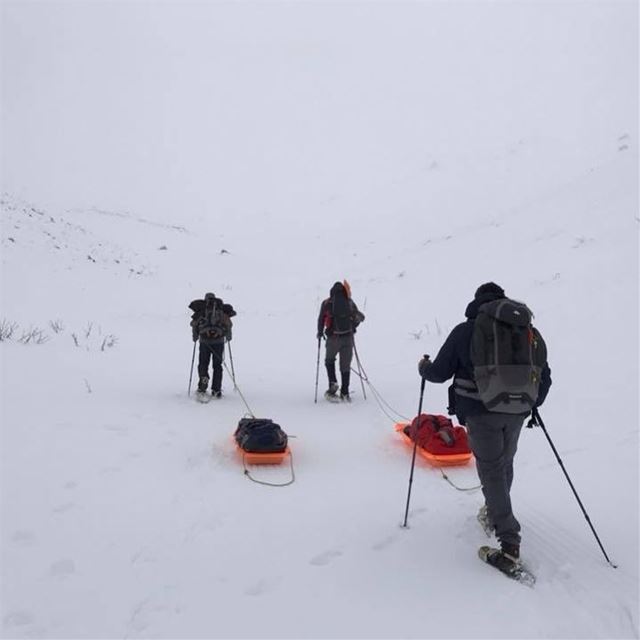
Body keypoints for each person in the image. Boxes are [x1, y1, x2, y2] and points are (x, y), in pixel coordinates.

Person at [417, 282, 551, 563]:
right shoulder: (528, 332)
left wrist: (423, 368)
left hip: (481, 411)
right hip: (517, 412)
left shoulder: (467, 330)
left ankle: (509, 543)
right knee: (504, 464)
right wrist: (530, 405)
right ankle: (494, 513)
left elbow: (440, 372)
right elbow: (544, 375)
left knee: (491, 471)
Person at [317, 281, 365, 401]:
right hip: (348, 338)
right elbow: (360, 317)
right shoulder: (349, 302)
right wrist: (353, 326)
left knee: (329, 360)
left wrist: (320, 332)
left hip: (333, 338)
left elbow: (321, 319)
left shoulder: (327, 303)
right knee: (345, 366)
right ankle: (345, 392)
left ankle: (333, 384)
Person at [188, 292, 235, 397]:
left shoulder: (202, 310)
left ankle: (203, 383)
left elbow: (194, 324)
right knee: (217, 365)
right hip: (218, 342)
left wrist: (195, 337)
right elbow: (229, 324)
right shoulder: (221, 311)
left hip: (205, 342)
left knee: (203, 363)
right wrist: (228, 337)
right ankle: (216, 390)